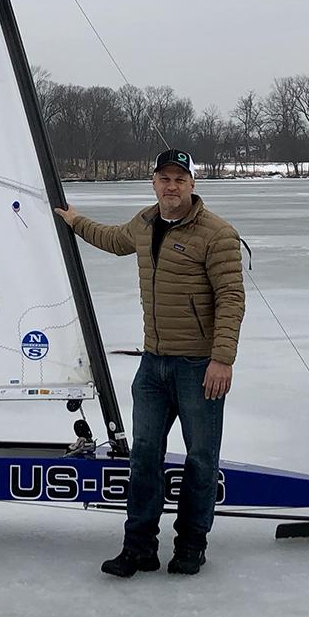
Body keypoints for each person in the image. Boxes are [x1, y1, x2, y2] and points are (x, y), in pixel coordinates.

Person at [55, 148, 244, 578]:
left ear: (193, 184)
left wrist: (222, 359)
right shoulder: (144, 223)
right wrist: (74, 221)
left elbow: (232, 299)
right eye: (164, 178)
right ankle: (138, 546)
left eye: (179, 179)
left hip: (199, 368)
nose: (171, 186)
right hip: (154, 365)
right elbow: (112, 239)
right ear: (154, 182)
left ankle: (192, 544)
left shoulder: (217, 234)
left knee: (200, 459)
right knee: (143, 457)